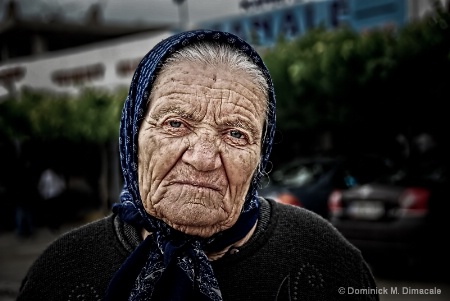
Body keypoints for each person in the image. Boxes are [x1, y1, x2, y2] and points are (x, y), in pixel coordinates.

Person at [17, 29, 379, 301]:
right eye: (175, 124)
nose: (203, 158)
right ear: (133, 136)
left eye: (236, 134)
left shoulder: (324, 256)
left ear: (261, 154)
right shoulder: (62, 270)